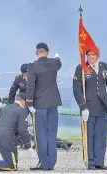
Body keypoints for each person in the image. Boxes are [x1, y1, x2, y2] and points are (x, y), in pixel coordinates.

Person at [73, 49, 107, 170]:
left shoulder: (105, 67)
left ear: (98, 55)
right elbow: (77, 89)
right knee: (89, 136)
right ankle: (90, 162)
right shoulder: (81, 68)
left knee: (100, 136)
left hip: (103, 106)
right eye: (89, 55)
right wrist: (83, 106)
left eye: (93, 55)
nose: (91, 57)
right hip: (88, 107)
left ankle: (99, 162)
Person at [26, 43, 62, 171]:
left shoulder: (32, 66)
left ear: (36, 53)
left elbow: (30, 85)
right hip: (53, 103)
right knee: (52, 133)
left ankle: (44, 164)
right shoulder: (54, 63)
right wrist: (57, 57)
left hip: (39, 104)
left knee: (41, 134)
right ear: (47, 52)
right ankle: (52, 163)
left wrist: (29, 102)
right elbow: (59, 62)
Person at [0, 93, 34, 172]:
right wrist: (28, 146)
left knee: (13, 162)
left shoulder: (6, 108)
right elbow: (23, 131)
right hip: (5, 139)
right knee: (12, 166)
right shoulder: (21, 111)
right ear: (23, 102)